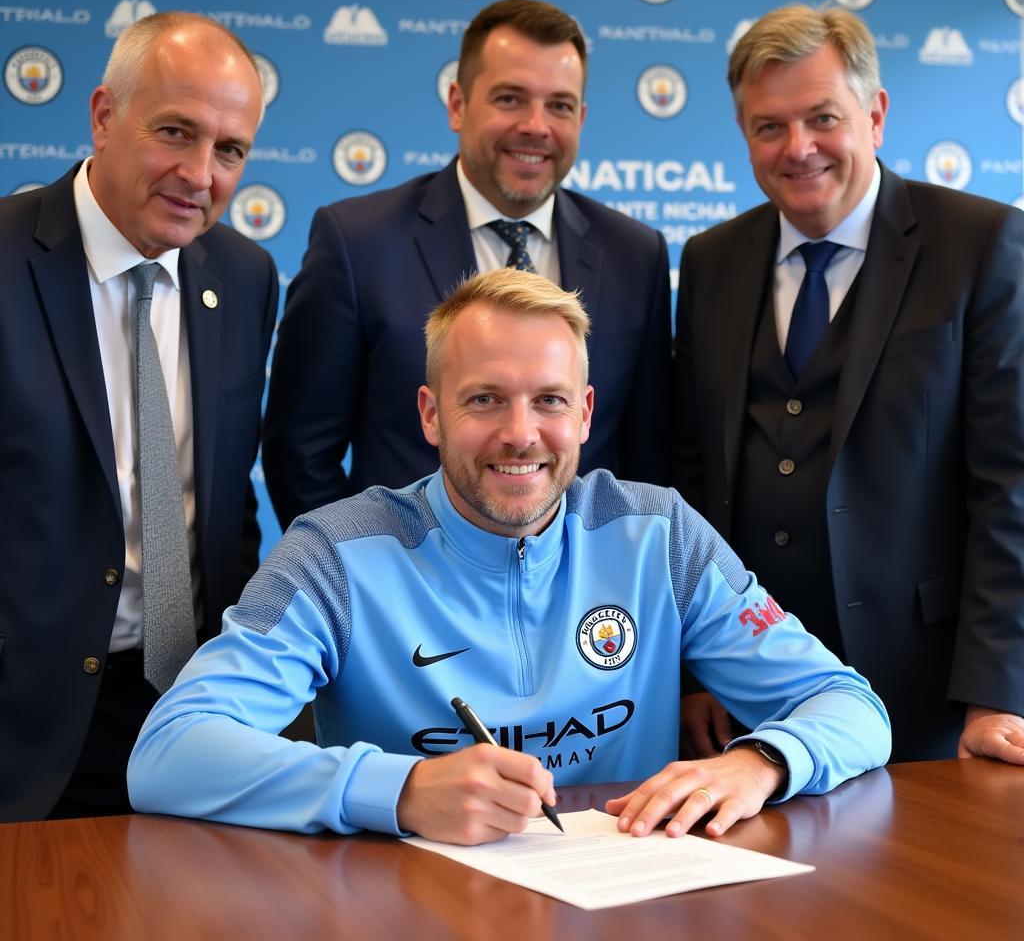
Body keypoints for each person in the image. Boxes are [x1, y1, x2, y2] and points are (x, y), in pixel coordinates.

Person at [129, 268, 889, 844]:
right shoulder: (333, 555)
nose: (521, 434)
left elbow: (853, 707)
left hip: (628, 899)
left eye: (550, 401)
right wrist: (399, 790)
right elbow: (167, 752)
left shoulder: (663, 534)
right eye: (485, 399)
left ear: (585, 414)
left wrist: (763, 761)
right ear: (431, 414)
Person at [673, 4, 1024, 765]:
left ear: (875, 114)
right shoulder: (710, 261)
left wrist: (997, 691)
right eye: (769, 126)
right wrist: (690, 669)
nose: (798, 149)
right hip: (745, 686)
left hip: (928, 691)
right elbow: (690, 481)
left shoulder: (981, 244)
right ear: (743, 135)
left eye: (822, 118)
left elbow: (1012, 486)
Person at [0, 11, 279, 821]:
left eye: (229, 150)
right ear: (103, 116)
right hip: (24, 725)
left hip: (191, 716)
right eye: (175, 132)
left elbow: (223, 506)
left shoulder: (246, 274)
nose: (200, 173)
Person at [262, 0, 671, 531]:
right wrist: (362, 576)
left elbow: (648, 460)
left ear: (582, 118)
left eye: (560, 106)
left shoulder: (635, 255)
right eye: (510, 98)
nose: (536, 126)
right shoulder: (357, 242)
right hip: (402, 596)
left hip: (581, 602)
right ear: (458, 104)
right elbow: (301, 452)